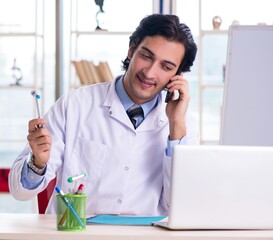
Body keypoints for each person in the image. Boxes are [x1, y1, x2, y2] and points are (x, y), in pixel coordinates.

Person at [9, 14, 199, 216]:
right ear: (131, 50)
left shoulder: (183, 124)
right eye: (146, 56)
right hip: (77, 234)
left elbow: (179, 207)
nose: (150, 73)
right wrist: (37, 163)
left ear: (177, 76)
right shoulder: (74, 105)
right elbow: (20, 192)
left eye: (166, 67)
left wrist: (176, 129)